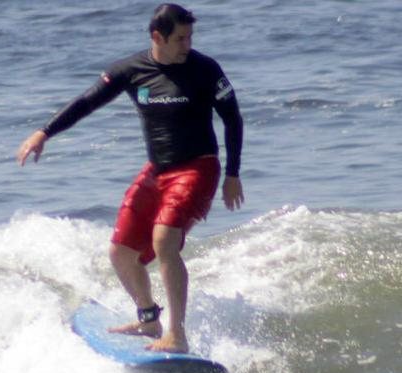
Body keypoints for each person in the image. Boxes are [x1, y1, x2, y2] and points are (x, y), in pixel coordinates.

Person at [17, 3, 244, 353]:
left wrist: (232, 173)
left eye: (190, 37)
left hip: (198, 167)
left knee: (163, 240)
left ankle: (177, 335)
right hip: (158, 170)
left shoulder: (205, 69)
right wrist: (44, 132)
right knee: (120, 252)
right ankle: (148, 318)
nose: (187, 45)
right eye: (180, 39)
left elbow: (233, 119)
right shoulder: (131, 70)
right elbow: (87, 101)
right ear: (158, 37)